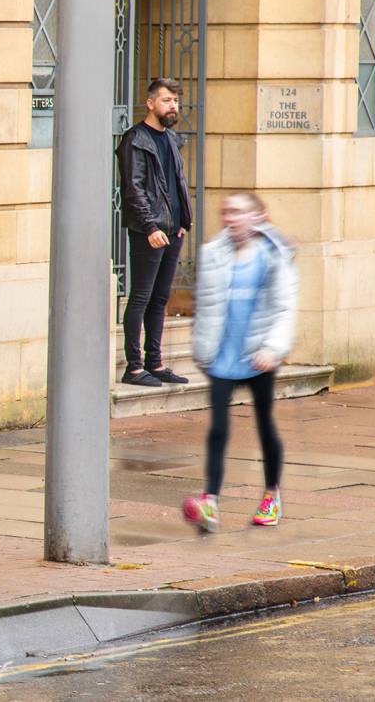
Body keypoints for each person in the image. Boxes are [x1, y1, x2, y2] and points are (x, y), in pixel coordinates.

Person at [182, 192, 297, 532]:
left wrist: (273, 348)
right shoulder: (212, 254)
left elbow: (284, 307)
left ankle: (271, 494)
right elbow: (206, 306)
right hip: (223, 356)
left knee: (264, 425)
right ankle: (210, 503)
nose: (231, 218)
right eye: (226, 212)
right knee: (218, 429)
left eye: (238, 212)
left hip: (259, 354)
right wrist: (203, 350)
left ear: (257, 216)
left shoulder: (273, 256)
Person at [117, 77, 195, 388]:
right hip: (149, 232)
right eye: (166, 100)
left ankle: (155, 362)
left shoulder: (172, 140)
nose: (173, 106)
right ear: (150, 103)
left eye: (175, 101)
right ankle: (134, 368)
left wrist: (182, 223)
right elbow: (133, 190)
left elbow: (176, 185)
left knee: (160, 298)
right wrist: (150, 227)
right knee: (141, 297)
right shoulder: (135, 140)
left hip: (172, 232)